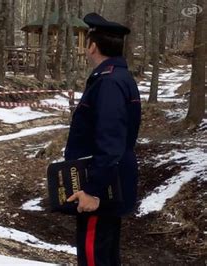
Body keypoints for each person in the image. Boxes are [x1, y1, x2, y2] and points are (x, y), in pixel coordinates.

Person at [64, 13, 141, 265]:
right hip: (109, 180)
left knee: (94, 256)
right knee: (104, 254)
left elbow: (110, 140)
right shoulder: (118, 77)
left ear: (93, 46)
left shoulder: (108, 82)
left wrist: (93, 191)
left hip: (101, 186)